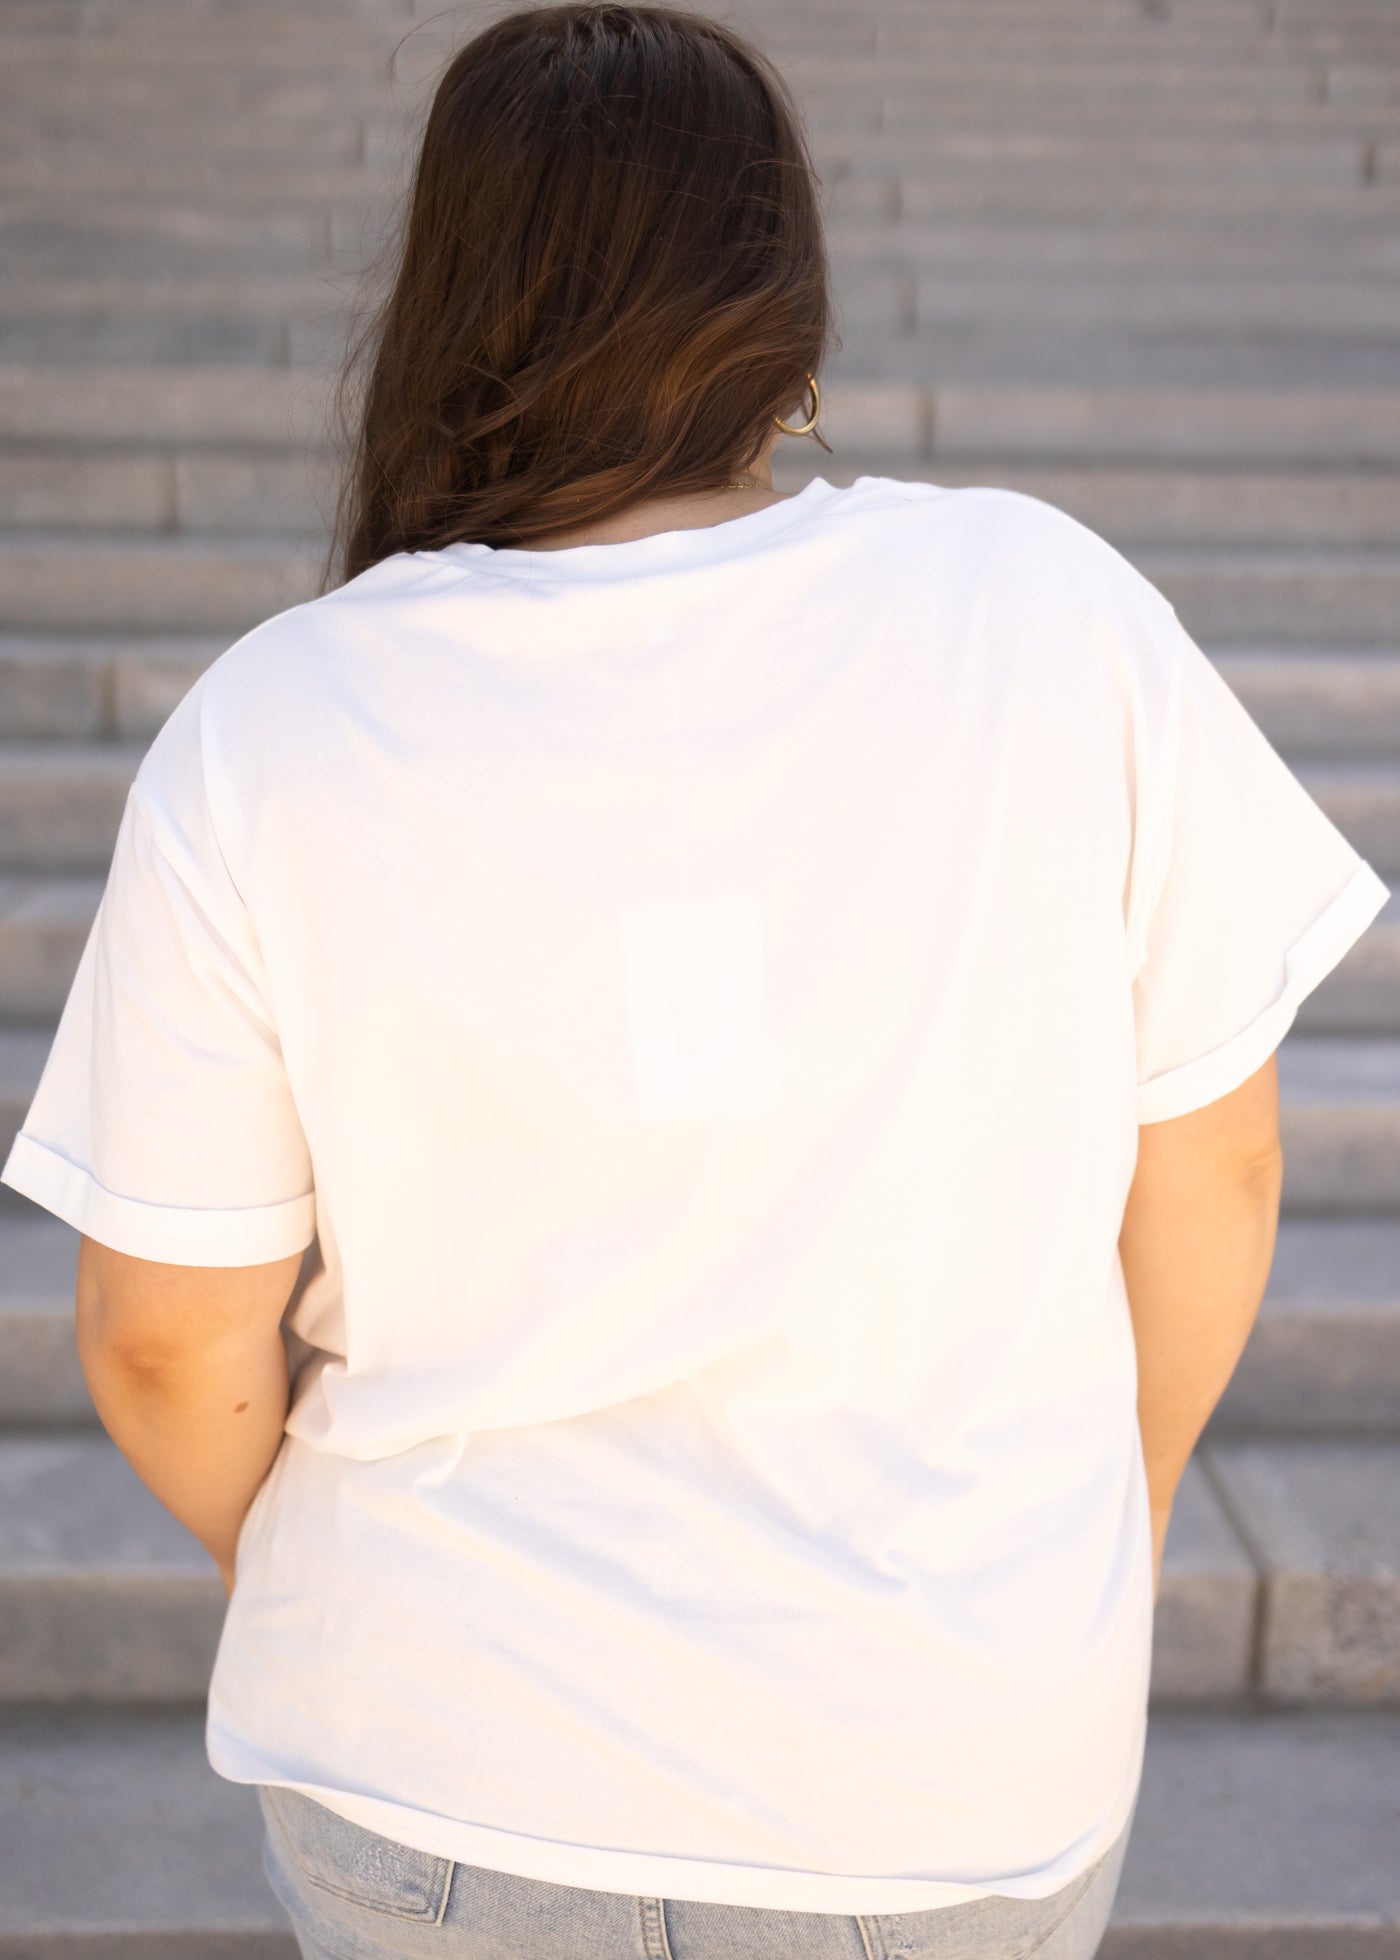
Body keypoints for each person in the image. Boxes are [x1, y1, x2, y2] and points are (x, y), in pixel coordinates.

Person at [2, 5, 1390, 1958]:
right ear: (780, 301)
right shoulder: (1046, 608)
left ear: (451, 290)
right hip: (956, 1765)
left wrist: (352, 1573)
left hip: (442, 1763)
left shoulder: (275, 724)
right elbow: (1216, 1177)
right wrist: (1111, 1520)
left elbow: (160, 1338)